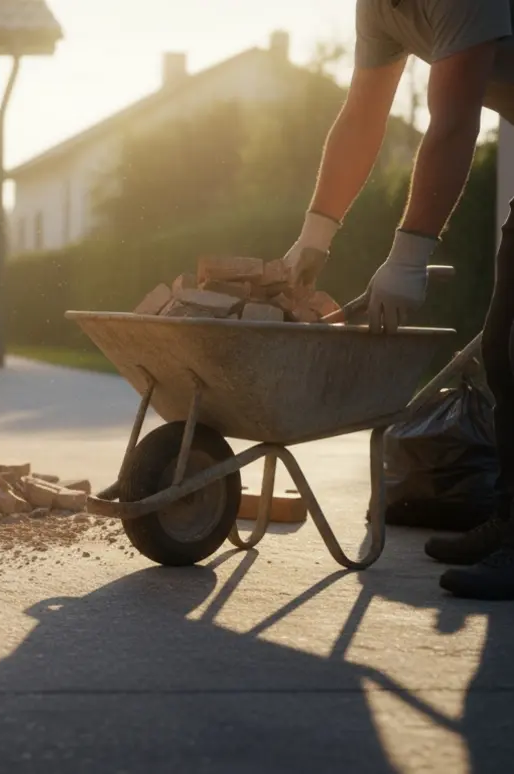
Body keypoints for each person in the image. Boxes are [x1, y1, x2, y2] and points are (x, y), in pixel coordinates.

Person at [282, 0, 514, 599]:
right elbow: (362, 115)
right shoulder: (379, 6)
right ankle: (511, 522)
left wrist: (409, 255)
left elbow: (454, 120)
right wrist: (316, 233)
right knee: (504, 349)